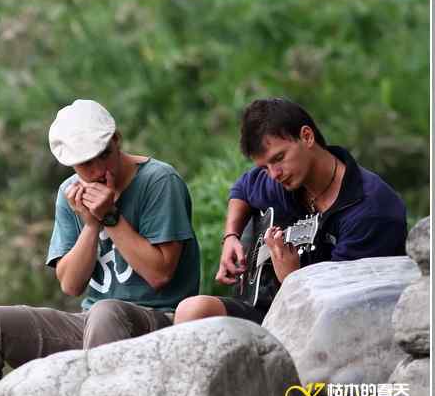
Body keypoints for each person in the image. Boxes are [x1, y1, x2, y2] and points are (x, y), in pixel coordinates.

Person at [0, 99, 200, 385]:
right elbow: (71, 285)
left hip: (158, 321)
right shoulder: (69, 193)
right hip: (90, 325)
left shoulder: (159, 181)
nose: (97, 170)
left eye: (104, 155)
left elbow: (160, 274)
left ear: (117, 140)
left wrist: (111, 218)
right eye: (85, 163)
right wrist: (92, 223)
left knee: (105, 313)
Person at [174, 97, 407, 325]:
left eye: (279, 158)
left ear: (306, 136)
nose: (274, 174)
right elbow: (243, 189)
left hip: (331, 327)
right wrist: (231, 237)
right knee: (191, 310)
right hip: (274, 307)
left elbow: (342, 311)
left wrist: (292, 279)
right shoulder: (286, 181)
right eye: (264, 167)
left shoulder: (369, 210)